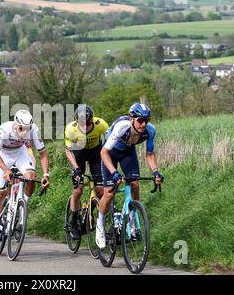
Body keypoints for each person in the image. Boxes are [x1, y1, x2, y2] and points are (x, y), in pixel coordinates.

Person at [98, 103, 164, 248]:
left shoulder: (150, 131)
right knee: (109, 193)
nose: (143, 124)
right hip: (110, 152)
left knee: (134, 184)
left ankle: (132, 222)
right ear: (131, 119)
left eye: (146, 120)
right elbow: (103, 152)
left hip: (128, 152)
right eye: (140, 120)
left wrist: (155, 172)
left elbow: (150, 154)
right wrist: (114, 172)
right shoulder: (122, 127)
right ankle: (100, 227)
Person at [0, 109, 50, 248]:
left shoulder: (33, 129)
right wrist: (5, 170)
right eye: (22, 128)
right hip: (3, 156)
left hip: (20, 154)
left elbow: (43, 153)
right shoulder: (4, 129)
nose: (25, 132)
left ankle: (23, 205)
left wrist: (46, 174)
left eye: (27, 129)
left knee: (30, 176)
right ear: (16, 124)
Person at [64, 104, 109, 240]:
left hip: (96, 153)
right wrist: (76, 169)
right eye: (82, 123)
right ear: (76, 121)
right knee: (78, 190)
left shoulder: (100, 124)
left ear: (93, 120)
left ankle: (93, 212)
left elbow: (110, 143)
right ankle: (73, 223)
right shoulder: (70, 129)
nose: (85, 127)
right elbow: (69, 151)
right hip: (79, 153)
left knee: (101, 190)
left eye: (88, 123)